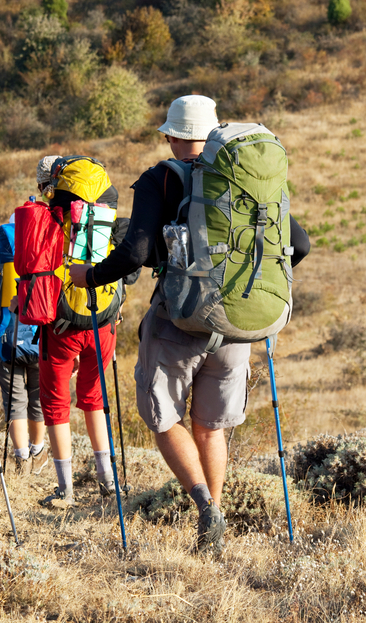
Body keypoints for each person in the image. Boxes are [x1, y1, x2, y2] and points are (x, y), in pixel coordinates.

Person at [69, 95, 311, 554]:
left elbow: (135, 253)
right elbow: (300, 244)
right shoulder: (243, 179)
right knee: (210, 426)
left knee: (162, 417)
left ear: (172, 135)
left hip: (180, 317)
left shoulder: (162, 177)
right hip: (237, 323)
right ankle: (214, 520)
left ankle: (206, 509)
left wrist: (91, 275)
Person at [38, 157, 122, 509]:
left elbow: (36, 268)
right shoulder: (106, 211)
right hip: (103, 320)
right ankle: (108, 483)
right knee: (95, 399)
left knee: (56, 404)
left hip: (60, 324)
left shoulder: (51, 218)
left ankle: (65, 489)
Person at [0, 215, 48, 476]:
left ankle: (22, 461)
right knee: (38, 400)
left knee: (14, 401)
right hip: (42, 342)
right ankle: (38, 452)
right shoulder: (47, 265)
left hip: (5, 342)